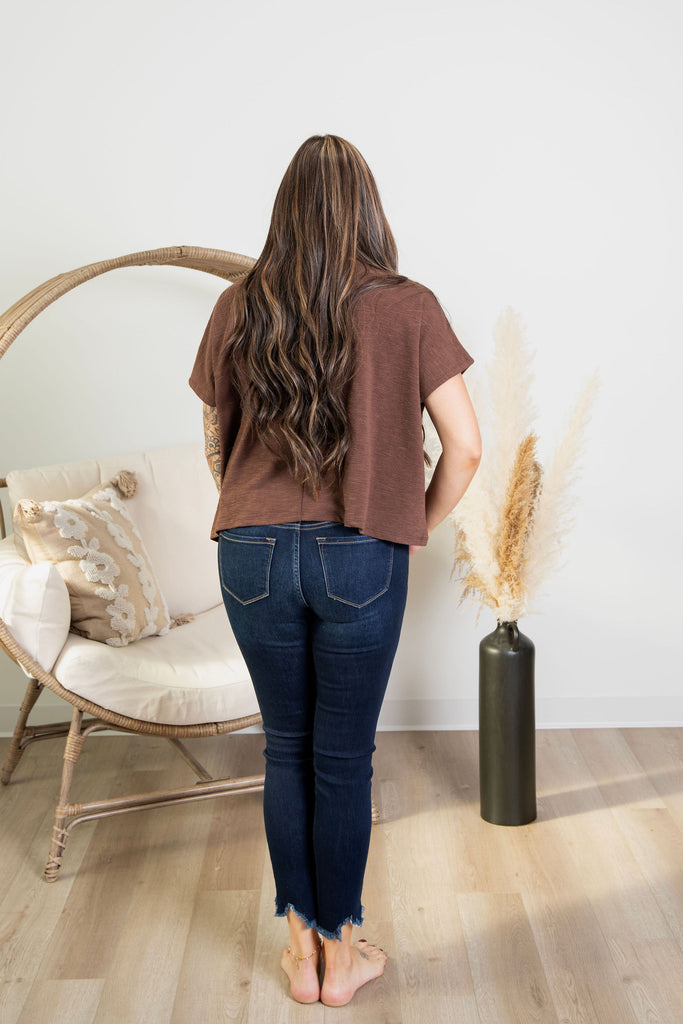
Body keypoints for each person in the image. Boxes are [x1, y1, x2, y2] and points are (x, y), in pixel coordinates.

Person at [188, 134, 481, 1007]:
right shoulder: (408, 306)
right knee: (343, 759)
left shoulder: (238, 303)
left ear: (284, 209)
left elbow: (214, 442)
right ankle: (342, 957)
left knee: (286, 749)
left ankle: (299, 955)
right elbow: (466, 448)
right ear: (367, 208)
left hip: (250, 550)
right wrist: (408, 523)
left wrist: (254, 504)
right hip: (360, 550)